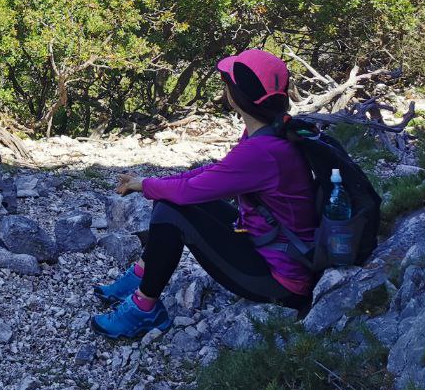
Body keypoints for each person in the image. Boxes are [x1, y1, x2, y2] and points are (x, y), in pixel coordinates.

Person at [90, 49, 318, 340]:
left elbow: (189, 192)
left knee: (172, 210)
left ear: (238, 95)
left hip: (280, 282)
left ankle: (144, 308)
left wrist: (143, 185)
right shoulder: (271, 131)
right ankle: (141, 274)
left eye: (227, 84)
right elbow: (211, 174)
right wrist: (150, 181)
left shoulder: (263, 151)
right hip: (274, 249)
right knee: (169, 199)